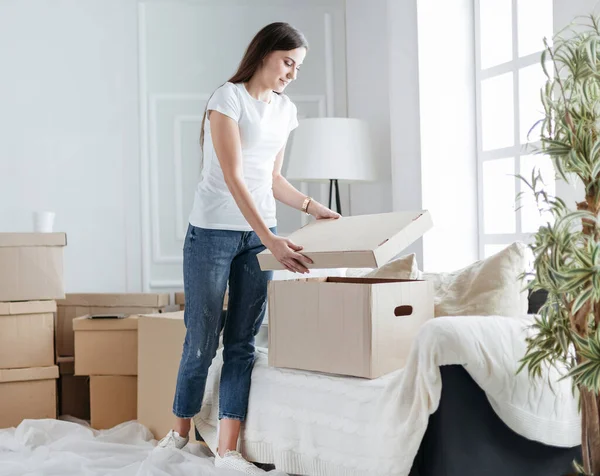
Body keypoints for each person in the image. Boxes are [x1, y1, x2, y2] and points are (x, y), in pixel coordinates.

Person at [157, 22, 340, 473]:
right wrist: (271, 239)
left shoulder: (286, 110)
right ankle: (179, 434)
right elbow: (236, 178)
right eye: (288, 62)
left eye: (298, 67)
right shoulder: (228, 99)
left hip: (260, 236)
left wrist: (313, 207)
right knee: (201, 338)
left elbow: (271, 179)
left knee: (243, 342)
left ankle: (227, 448)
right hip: (214, 233)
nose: (293, 74)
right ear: (264, 54)